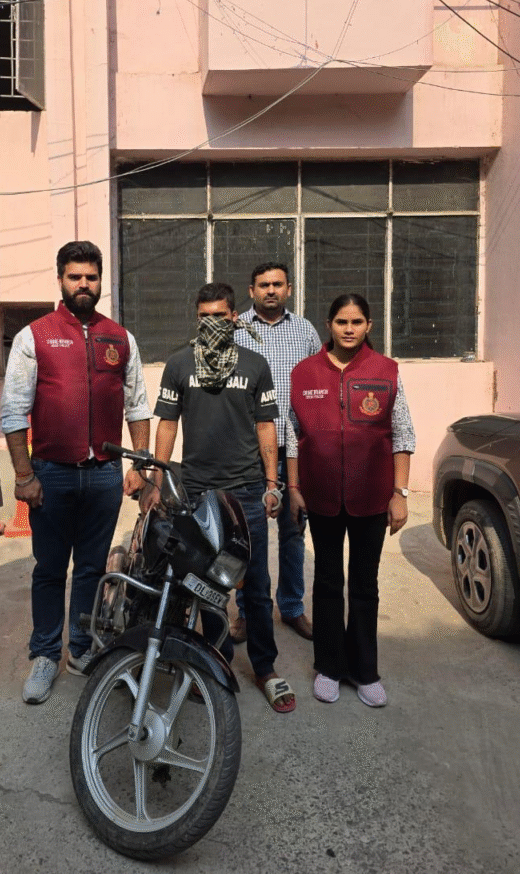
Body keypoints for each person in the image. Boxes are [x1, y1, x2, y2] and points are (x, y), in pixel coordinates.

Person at [1, 241, 152, 705]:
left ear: (101, 281)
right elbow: (13, 411)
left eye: (91, 277)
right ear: (61, 280)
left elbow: (137, 405)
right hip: (52, 473)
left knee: (90, 568)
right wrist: (24, 475)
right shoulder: (35, 336)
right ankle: (46, 654)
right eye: (75, 277)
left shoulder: (120, 338)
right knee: (49, 569)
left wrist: (140, 465)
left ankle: (81, 648)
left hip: (104, 474)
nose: (83, 284)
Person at [149, 282, 296, 713]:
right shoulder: (179, 363)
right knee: (208, 586)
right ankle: (218, 661)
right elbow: (167, 423)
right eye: (204, 316)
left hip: (247, 491)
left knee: (256, 585)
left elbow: (267, 425)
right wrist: (157, 478)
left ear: (234, 317)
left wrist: (272, 484)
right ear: (196, 318)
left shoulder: (255, 364)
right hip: (198, 492)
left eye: (220, 315)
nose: (212, 323)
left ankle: (265, 669)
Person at [287, 293, 415, 708]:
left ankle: (364, 671)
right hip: (321, 497)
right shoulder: (304, 373)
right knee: (327, 582)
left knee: (364, 584)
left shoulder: (386, 371)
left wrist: (399, 493)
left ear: (368, 326)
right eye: (341, 321)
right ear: (328, 324)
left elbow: (403, 434)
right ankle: (328, 667)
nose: (348, 329)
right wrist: (293, 488)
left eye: (356, 322)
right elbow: (291, 434)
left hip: (371, 498)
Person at [232, 262, 321, 644]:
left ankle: (292, 607)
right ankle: (247, 610)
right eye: (264, 284)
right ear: (251, 290)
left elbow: (320, 381)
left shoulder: (305, 331)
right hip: (249, 451)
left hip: (296, 450)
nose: (271, 290)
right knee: (246, 536)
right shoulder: (235, 329)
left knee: (292, 532)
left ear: (289, 289)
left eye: (278, 284)